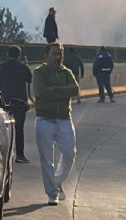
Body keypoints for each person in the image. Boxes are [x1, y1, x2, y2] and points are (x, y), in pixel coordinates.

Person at [33, 43, 79, 205]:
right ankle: (52, 193)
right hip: (44, 119)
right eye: (54, 54)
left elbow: (75, 90)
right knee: (47, 159)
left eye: (60, 54)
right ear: (46, 56)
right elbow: (41, 92)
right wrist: (60, 91)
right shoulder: (39, 73)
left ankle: (57, 181)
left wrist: (54, 89)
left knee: (69, 153)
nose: (57, 57)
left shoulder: (67, 72)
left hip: (64, 118)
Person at [0, 46, 33, 163]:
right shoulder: (23, 67)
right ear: (19, 55)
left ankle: (3, 156)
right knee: (19, 129)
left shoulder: (1, 67)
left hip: (4, 101)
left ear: (8, 54)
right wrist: (26, 65)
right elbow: (30, 80)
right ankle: (19, 155)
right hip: (20, 102)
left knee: (3, 130)